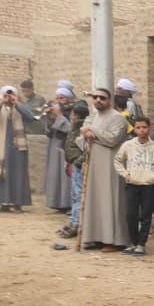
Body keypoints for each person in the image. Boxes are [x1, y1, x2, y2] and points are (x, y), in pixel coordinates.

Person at [79, 87, 131, 251]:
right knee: (95, 200)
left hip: (110, 166)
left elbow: (112, 139)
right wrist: (87, 135)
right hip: (94, 165)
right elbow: (80, 139)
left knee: (110, 200)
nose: (98, 100)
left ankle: (114, 240)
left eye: (102, 98)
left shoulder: (118, 118)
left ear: (110, 101)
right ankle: (95, 237)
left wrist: (92, 131)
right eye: (95, 97)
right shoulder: (93, 117)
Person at [112, 116, 154, 256]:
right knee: (130, 215)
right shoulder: (128, 145)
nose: (141, 130)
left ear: (149, 128)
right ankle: (133, 242)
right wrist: (125, 174)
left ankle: (141, 245)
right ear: (135, 129)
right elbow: (117, 160)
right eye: (138, 127)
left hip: (148, 186)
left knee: (146, 215)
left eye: (144, 127)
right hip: (132, 184)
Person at [0, 85, 36, 212]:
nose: (8, 97)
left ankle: (18, 203)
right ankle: (3, 203)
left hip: (17, 148)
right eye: (6, 95)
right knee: (1, 174)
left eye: (11, 95)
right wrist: (1, 103)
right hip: (0, 146)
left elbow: (30, 117)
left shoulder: (20, 107)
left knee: (18, 174)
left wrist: (17, 103)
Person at [41, 88, 76, 211]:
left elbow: (71, 129)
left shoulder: (73, 110)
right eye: (57, 98)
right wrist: (49, 119)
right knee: (55, 174)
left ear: (69, 99)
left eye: (62, 98)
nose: (59, 101)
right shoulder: (55, 112)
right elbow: (48, 132)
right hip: (54, 145)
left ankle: (68, 203)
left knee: (66, 175)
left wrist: (60, 115)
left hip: (67, 146)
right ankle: (57, 202)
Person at [59, 101, 90, 239]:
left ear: (76, 115)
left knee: (78, 195)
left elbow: (87, 149)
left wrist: (77, 162)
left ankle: (76, 224)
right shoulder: (75, 128)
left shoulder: (82, 129)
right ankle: (72, 221)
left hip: (79, 166)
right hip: (74, 164)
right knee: (74, 195)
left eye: (72, 114)